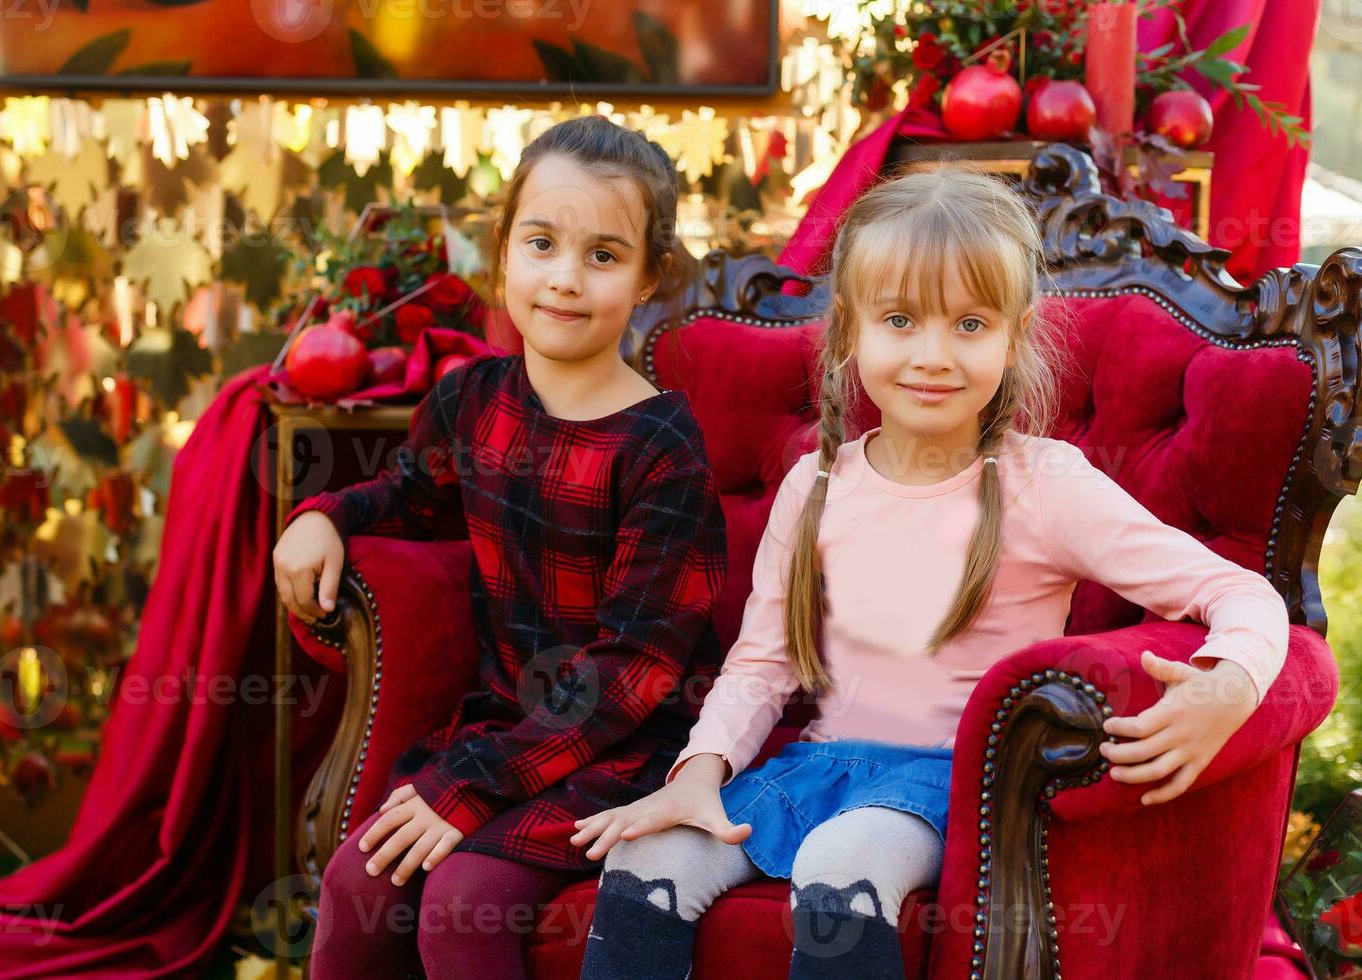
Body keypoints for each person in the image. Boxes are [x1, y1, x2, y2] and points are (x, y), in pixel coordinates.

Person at [572, 166, 1290, 980]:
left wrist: (1228, 684)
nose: (932, 356)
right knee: (646, 861)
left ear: (1015, 336)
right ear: (849, 331)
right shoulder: (816, 484)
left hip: (958, 783)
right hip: (821, 764)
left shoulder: (1043, 484)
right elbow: (762, 663)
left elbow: (1238, 591)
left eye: (970, 325)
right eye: (901, 320)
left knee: (841, 866)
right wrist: (699, 775)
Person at [271, 114, 728, 980]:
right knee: (356, 887)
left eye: (603, 255)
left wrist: (472, 784)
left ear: (648, 277)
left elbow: (633, 673)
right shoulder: (473, 400)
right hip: (506, 722)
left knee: (462, 903)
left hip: (628, 747)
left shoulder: (662, 447)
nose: (564, 279)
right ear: (503, 250)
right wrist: (323, 514)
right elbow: (404, 497)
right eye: (542, 243)